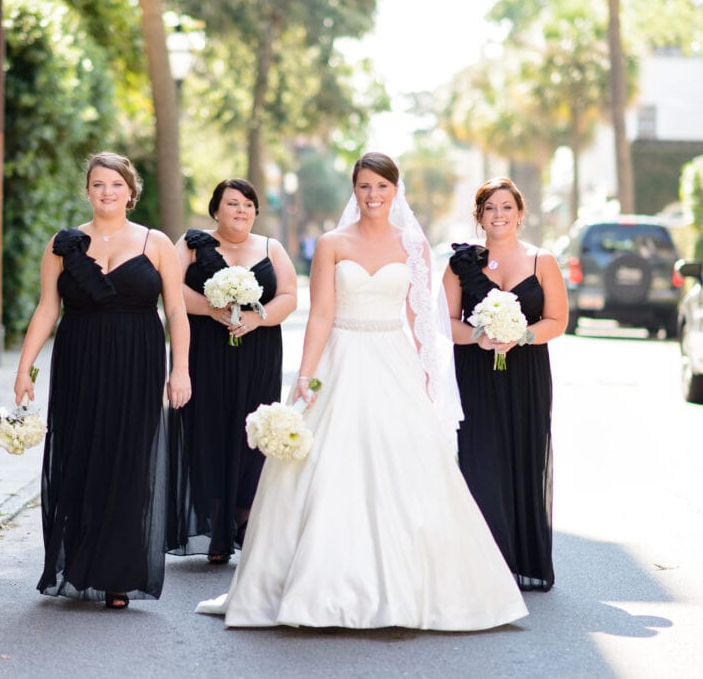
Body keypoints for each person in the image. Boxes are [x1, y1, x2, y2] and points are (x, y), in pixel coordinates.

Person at [198, 152, 528, 630]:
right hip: (341, 356)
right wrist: (305, 378)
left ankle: (415, 586)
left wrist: (428, 374)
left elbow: (419, 318)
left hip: (392, 359)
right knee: (323, 465)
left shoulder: (412, 246)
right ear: (354, 191)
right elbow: (322, 315)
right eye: (365, 186)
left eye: (382, 186)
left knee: (406, 463)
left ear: (396, 191)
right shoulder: (333, 243)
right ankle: (309, 584)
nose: (374, 195)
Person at [14, 151, 191, 610]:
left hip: (137, 362)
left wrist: (181, 369)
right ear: (88, 191)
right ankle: (79, 565)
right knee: (80, 455)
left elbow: (175, 310)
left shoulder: (156, 243)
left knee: (128, 457)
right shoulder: (63, 243)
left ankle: (118, 575)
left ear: (131, 192)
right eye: (98, 184)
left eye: (115, 184)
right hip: (78, 361)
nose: (107, 191)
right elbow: (47, 309)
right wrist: (25, 369)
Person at [442, 177, 568, 591]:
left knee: (523, 459)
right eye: (490, 208)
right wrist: (479, 337)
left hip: (527, 373)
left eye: (506, 207)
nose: (499, 215)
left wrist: (522, 335)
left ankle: (521, 558)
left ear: (520, 213)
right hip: (474, 375)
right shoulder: (461, 262)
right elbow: (445, 325)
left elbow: (557, 321)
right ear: (479, 216)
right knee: (479, 461)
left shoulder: (542, 260)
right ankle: (481, 563)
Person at [165, 179, 298, 564]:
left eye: (248, 205)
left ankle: (246, 520)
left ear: (255, 211)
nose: (241, 211)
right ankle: (215, 524)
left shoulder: (271, 248)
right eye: (232, 204)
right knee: (207, 431)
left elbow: (289, 296)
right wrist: (210, 308)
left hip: (258, 355)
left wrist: (259, 320)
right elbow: (169, 290)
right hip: (205, 353)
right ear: (216, 209)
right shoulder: (190, 245)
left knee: (252, 434)